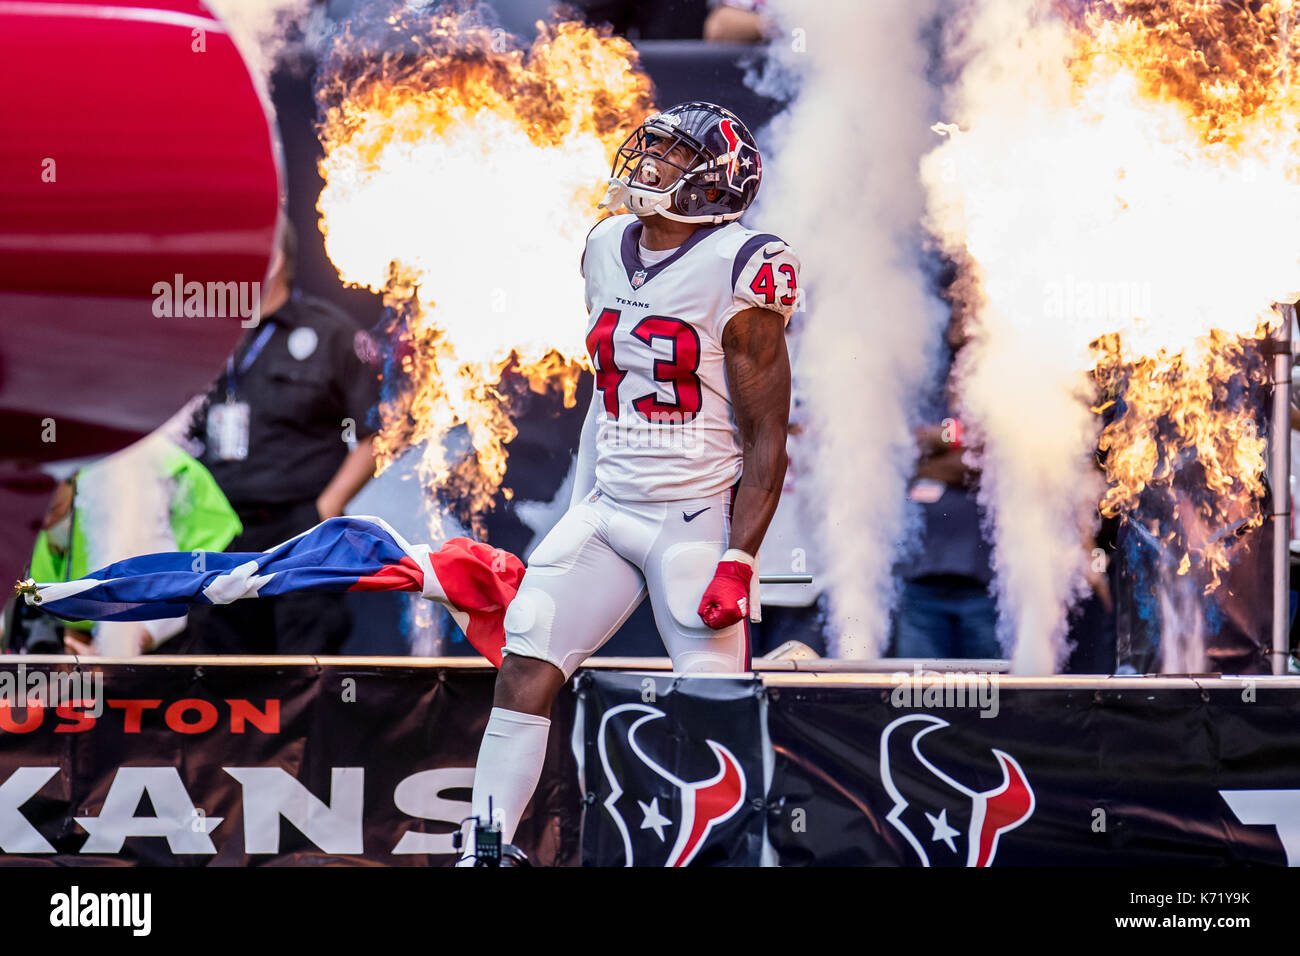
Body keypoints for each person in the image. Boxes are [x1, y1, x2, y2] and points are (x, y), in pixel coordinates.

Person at [458, 101, 799, 861]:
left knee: (713, 711)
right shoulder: (606, 244)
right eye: (650, 150)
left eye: (673, 157)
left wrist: (740, 559)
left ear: (715, 183)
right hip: (609, 507)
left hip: (693, 516)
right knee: (525, 666)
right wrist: (582, 508)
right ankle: (482, 850)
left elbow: (766, 434)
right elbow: (604, 399)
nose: (649, 166)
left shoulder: (744, 264)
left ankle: (730, 856)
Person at [183, 216, 382, 655]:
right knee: (217, 673)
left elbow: (377, 436)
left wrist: (321, 511)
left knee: (302, 673)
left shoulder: (332, 333)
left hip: (298, 534)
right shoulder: (209, 335)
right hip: (221, 534)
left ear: (273, 261)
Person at [18, 434, 241, 655]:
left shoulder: (121, 483)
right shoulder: (40, 485)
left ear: (70, 476)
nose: (41, 518)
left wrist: (113, 649)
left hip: (195, 560)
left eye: (47, 504)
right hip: (90, 613)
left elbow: (163, 592)